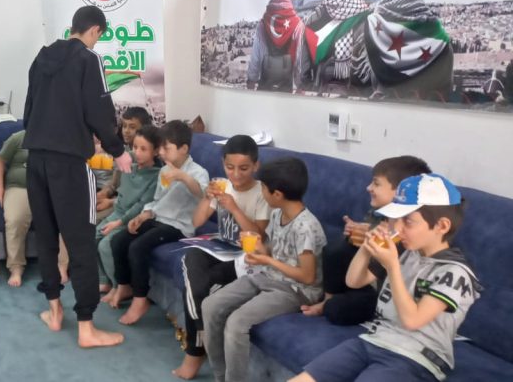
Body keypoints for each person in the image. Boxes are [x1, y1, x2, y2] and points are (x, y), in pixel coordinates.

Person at [291, 174, 480, 382]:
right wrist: (366, 247)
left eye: (408, 221)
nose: (397, 229)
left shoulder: (454, 272)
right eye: (395, 219)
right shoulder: (406, 251)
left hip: (415, 357)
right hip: (372, 340)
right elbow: (354, 281)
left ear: (442, 226)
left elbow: (412, 321)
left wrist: (392, 267)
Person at [23, 4, 133, 348]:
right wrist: (118, 151)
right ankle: (87, 328)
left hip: (35, 159)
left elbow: (29, 111)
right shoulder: (89, 59)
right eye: (98, 36)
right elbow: (100, 111)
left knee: (46, 238)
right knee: (81, 241)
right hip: (70, 164)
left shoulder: (41, 58)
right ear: (95, 30)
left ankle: (54, 311)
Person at [203, 157, 327, 382]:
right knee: (210, 305)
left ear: (277, 194)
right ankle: (220, 376)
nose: (261, 192)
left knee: (236, 322)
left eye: (263, 188)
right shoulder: (278, 214)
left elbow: (308, 277)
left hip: (295, 290)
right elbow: (274, 250)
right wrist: (261, 249)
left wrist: (268, 261)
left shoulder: (306, 227)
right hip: (269, 276)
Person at [173, 135, 271, 380]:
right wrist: (208, 198)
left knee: (200, 286)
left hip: (246, 257)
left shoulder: (262, 193)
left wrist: (234, 208)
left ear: (256, 166)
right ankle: (203, 334)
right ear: (223, 164)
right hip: (220, 247)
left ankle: (195, 351)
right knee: (191, 259)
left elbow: (258, 235)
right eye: (230, 167)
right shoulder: (223, 185)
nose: (236, 174)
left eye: (243, 168)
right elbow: (197, 222)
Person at [303, 156, 431, 324]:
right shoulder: (378, 211)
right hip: (368, 276)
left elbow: (390, 257)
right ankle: (328, 299)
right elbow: (369, 240)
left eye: (376, 184)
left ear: (401, 191)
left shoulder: (411, 233)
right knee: (336, 249)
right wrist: (358, 231)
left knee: (336, 310)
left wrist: (373, 238)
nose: (368, 188)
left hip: (387, 287)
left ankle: (335, 303)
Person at [109, 120, 209, 325]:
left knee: (137, 247)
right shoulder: (164, 171)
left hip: (178, 226)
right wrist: (144, 214)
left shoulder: (198, 172)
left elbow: (203, 194)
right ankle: (124, 285)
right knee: (118, 240)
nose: (161, 152)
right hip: (158, 219)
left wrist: (183, 177)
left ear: (184, 149)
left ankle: (140, 300)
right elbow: (157, 201)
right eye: (160, 148)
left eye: (166, 148)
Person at [0, 130, 69, 287]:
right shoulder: (18, 138)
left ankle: (61, 266)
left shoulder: (59, 136)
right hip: (20, 187)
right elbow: (0, 161)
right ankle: (16, 268)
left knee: (64, 219)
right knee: (15, 220)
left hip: (50, 188)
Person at [96, 125, 161, 300]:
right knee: (92, 236)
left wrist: (118, 223)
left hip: (132, 219)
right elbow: (120, 193)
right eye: (135, 147)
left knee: (106, 245)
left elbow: (141, 206)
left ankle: (119, 286)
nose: (137, 152)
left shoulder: (156, 176)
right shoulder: (128, 166)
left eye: (143, 149)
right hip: (117, 213)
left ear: (156, 151)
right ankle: (105, 280)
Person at [247, 0, 316, 93]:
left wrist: (250, 84)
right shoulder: (298, 26)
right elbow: (300, 71)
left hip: (264, 94)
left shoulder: (262, 25)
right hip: (286, 97)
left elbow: (254, 68)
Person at [96, 107, 152, 221]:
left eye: (132, 127)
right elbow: (114, 184)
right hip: (117, 199)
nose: (126, 131)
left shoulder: (147, 159)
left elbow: (139, 197)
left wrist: (110, 202)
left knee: (92, 221)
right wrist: (104, 193)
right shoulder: (123, 152)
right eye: (124, 126)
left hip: (129, 207)